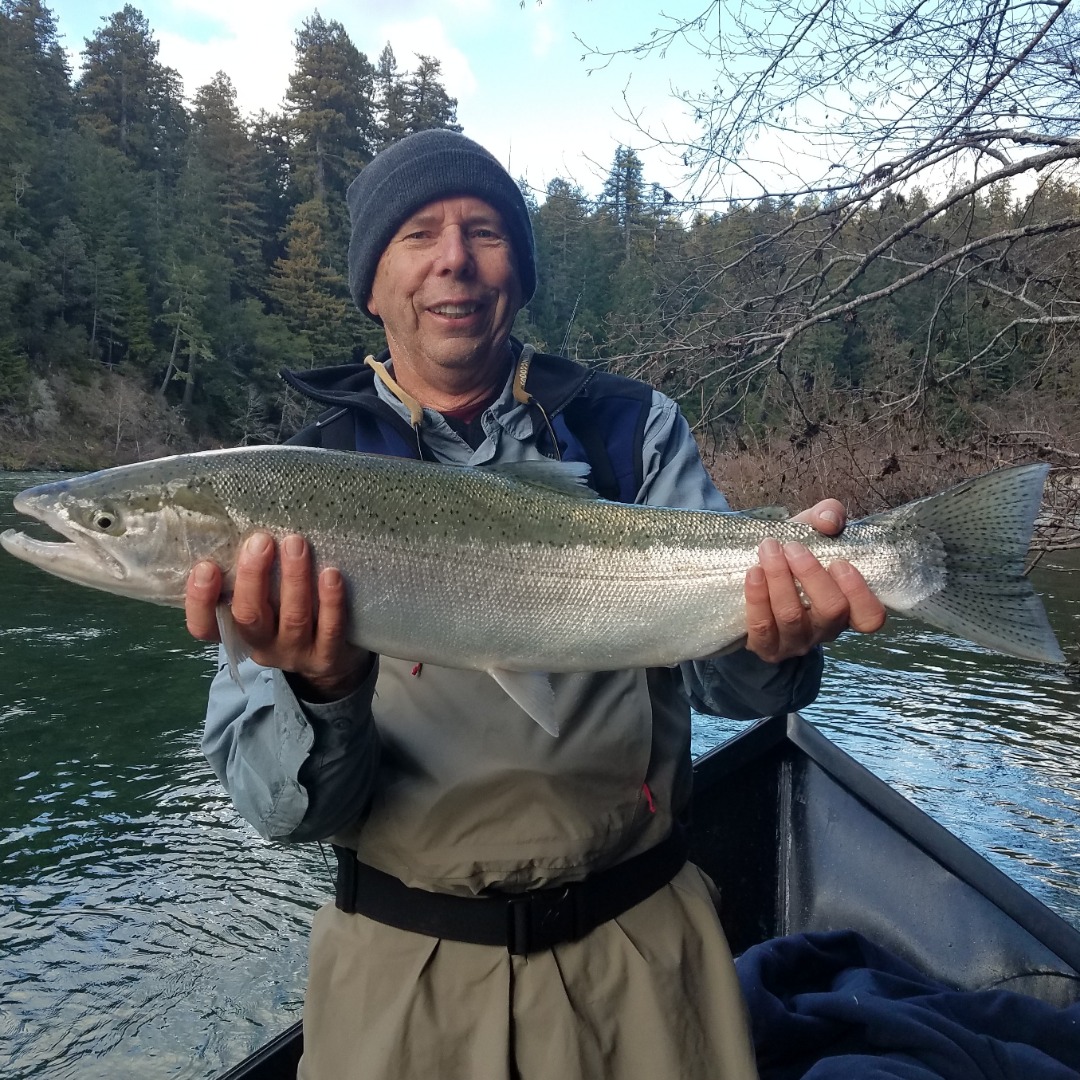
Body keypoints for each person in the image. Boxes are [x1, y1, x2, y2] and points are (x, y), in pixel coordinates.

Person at [185, 129, 886, 1079]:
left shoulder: (629, 430)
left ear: (518, 269)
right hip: (400, 980)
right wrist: (321, 688)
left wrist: (773, 642)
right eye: (418, 235)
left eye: (484, 231)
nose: (454, 262)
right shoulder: (299, 486)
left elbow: (739, 695)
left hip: (644, 958)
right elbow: (284, 815)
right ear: (372, 283)